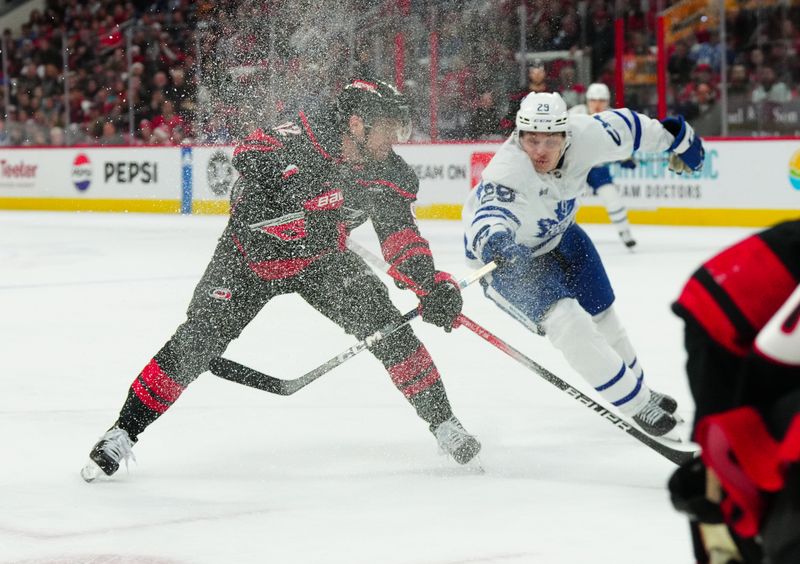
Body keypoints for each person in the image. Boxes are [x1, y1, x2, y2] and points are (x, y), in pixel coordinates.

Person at [81, 78, 481, 482]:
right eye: (387, 127)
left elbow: (400, 238)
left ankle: (445, 424)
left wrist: (430, 285)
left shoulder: (388, 173)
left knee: (390, 332)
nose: (394, 138)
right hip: (250, 259)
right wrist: (298, 183)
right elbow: (248, 153)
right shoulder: (304, 132)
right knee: (197, 340)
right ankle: (122, 432)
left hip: (323, 263)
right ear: (357, 124)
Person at [462, 91, 706, 437]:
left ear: (566, 135)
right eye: (531, 140)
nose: (540, 151)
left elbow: (633, 127)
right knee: (568, 321)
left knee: (602, 311)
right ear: (519, 136)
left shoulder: (587, 134)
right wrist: (498, 243)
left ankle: (641, 392)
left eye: (550, 140)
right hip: (508, 260)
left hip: (561, 237)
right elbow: (487, 218)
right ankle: (635, 404)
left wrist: (678, 140)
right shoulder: (508, 170)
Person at [668, 220, 800, 564]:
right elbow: (774, 359)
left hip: (733, 309)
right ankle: (723, 541)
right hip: (723, 321)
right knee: (735, 450)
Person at [569, 83, 637, 248]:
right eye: (593, 100)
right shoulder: (575, 114)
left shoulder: (614, 118)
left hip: (597, 168)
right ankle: (562, 235)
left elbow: (623, 142)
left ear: (607, 101)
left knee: (611, 197)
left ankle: (625, 233)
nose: (597, 104)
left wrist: (626, 157)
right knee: (566, 201)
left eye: (601, 100)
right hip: (575, 167)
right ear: (587, 100)